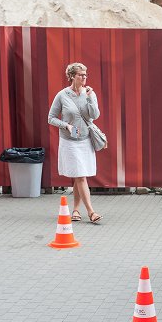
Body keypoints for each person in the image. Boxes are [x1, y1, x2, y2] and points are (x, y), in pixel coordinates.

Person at [48, 62, 103, 224]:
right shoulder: (62, 95)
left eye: (86, 74)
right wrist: (66, 125)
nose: (84, 77)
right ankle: (91, 212)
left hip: (86, 140)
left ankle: (76, 210)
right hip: (69, 141)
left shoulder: (89, 93)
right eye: (81, 74)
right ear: (72, 76)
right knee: (80, 176)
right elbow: (50, 118)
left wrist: (90, 98)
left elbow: (95, 115)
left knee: (80, 176)